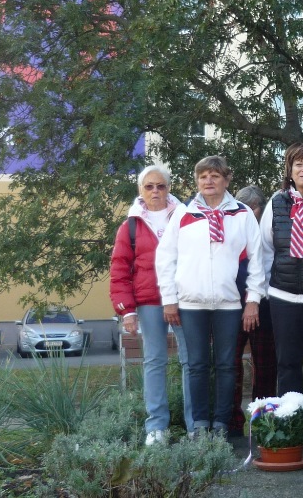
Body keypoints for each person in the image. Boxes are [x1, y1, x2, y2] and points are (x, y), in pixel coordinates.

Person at [157, 155, 265, 437]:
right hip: (191, 303)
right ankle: (199, 425)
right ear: (197, 180)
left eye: (215, 176)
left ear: (226, 180)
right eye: (203, 176)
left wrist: (253, 299)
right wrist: (169, 298)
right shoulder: (183, 214)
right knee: (197, 365)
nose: (208, 181)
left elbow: (257, 260)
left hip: (229, 304)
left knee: (228, 365)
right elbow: (165, 258)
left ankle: (221, 424)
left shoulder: (241, 214)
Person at [109, 164, 192, 445]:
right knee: (155, 361)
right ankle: (156, 427)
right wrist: (127, 310)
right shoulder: (130, 225)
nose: (155, 191)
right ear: (140, 191)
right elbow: (120, 269)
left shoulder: (185, 218)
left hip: (183, 300)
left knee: (190, 361)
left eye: (161, 186)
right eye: (149, 186)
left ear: (169, 188)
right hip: (148, 302)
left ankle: (195, 426)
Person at [260, 143, 303, 440]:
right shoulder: (276, 202)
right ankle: (292, 421)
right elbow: (264, 250)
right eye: (298, 164)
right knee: (287, 362)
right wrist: (265, 292)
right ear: (289, 170)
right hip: (283, 296)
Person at [227, 185, 277, 435]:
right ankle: (233, 423)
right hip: (232, 305)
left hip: (264, 305)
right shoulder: (231, 228)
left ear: (259, 208)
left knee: (266, 365)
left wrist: (255, 301)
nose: (248, 212)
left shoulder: (268, 229)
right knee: (230, 364)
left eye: (252, 208)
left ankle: (264, 422)